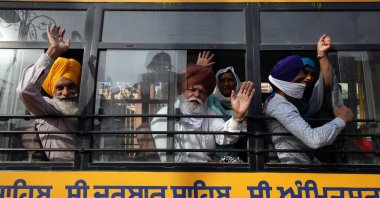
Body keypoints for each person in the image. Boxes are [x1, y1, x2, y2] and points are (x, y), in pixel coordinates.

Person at [151, 64, 255, 162]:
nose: (196, 94)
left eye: (202, 92)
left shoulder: (208, 113)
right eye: (192, 89)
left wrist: (237, 116)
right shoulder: (165, 115)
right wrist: (209, 164)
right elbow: (171, 160)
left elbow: (224, 137)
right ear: (182, 91)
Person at [263, 55, 353, 164]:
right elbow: (314, 140)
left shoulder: (280, 102)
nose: (304, 83)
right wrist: (341, 119)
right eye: (299, 80)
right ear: (286, 82)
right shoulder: (280, 106)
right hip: (295, 171)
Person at [16, 24, 81, 161]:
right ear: (52, 89)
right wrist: (53, 51)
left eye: (71, 87)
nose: (65, 93)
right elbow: (25, 90)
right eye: (60, 88)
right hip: (59, 176)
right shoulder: (48, 107)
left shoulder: (83, 109)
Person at [196, 51, 246, 158]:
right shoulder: (210, 99)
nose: (226, 84)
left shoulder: (243, 101)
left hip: (238, 156)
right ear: (217, 84)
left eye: (230, 80)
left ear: (236, 82)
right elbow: (194, 94)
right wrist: (199, 71)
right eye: (222, 81)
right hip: (212, 158)